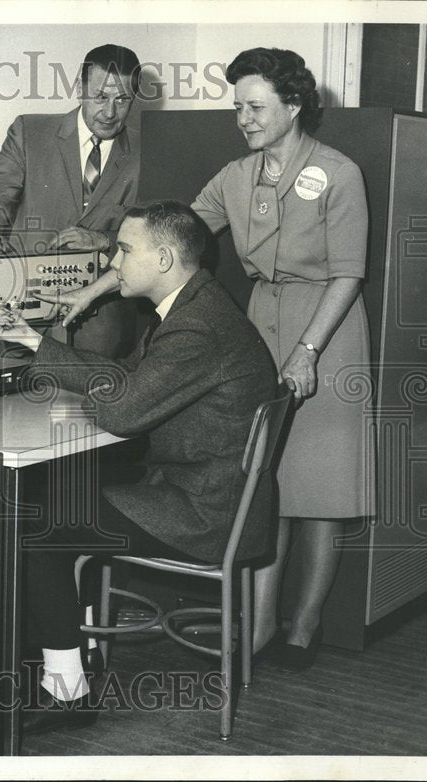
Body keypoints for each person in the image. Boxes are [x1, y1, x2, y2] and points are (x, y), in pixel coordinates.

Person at [55, 48, 375, 671]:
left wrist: (309, 350)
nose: (244, 120)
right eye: (238, 108)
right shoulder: (236, 177)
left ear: (294, 104)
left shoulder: (339, 174)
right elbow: (166, 241)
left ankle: (302, 632)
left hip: (329, 331)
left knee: (322, 491)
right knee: (264, 482)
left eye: (255, 107)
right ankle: (255, 630)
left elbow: (349, 273)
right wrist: (95, 287)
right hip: (264, 321)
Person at [0, 201, 277, 735]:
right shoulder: (196, 305)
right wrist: (37, 344)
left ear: (164, 258)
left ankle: (67, 688)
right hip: (212, 495)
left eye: (124, 250)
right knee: (57, 491)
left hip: (202, 514)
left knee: (38, 521)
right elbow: (130, 376)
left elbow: (124, 409)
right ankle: (66, 653)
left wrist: (87, 384)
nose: (113, 262)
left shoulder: (196, 327)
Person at [0, 43, 142, 357]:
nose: (109, 112)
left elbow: (158, 234)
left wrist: (104, 239)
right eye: (100, 97)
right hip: (24, 317)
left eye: (122, 100)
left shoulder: (147, 152)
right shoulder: (29, 131)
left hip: (103, 331)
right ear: (79, 88)